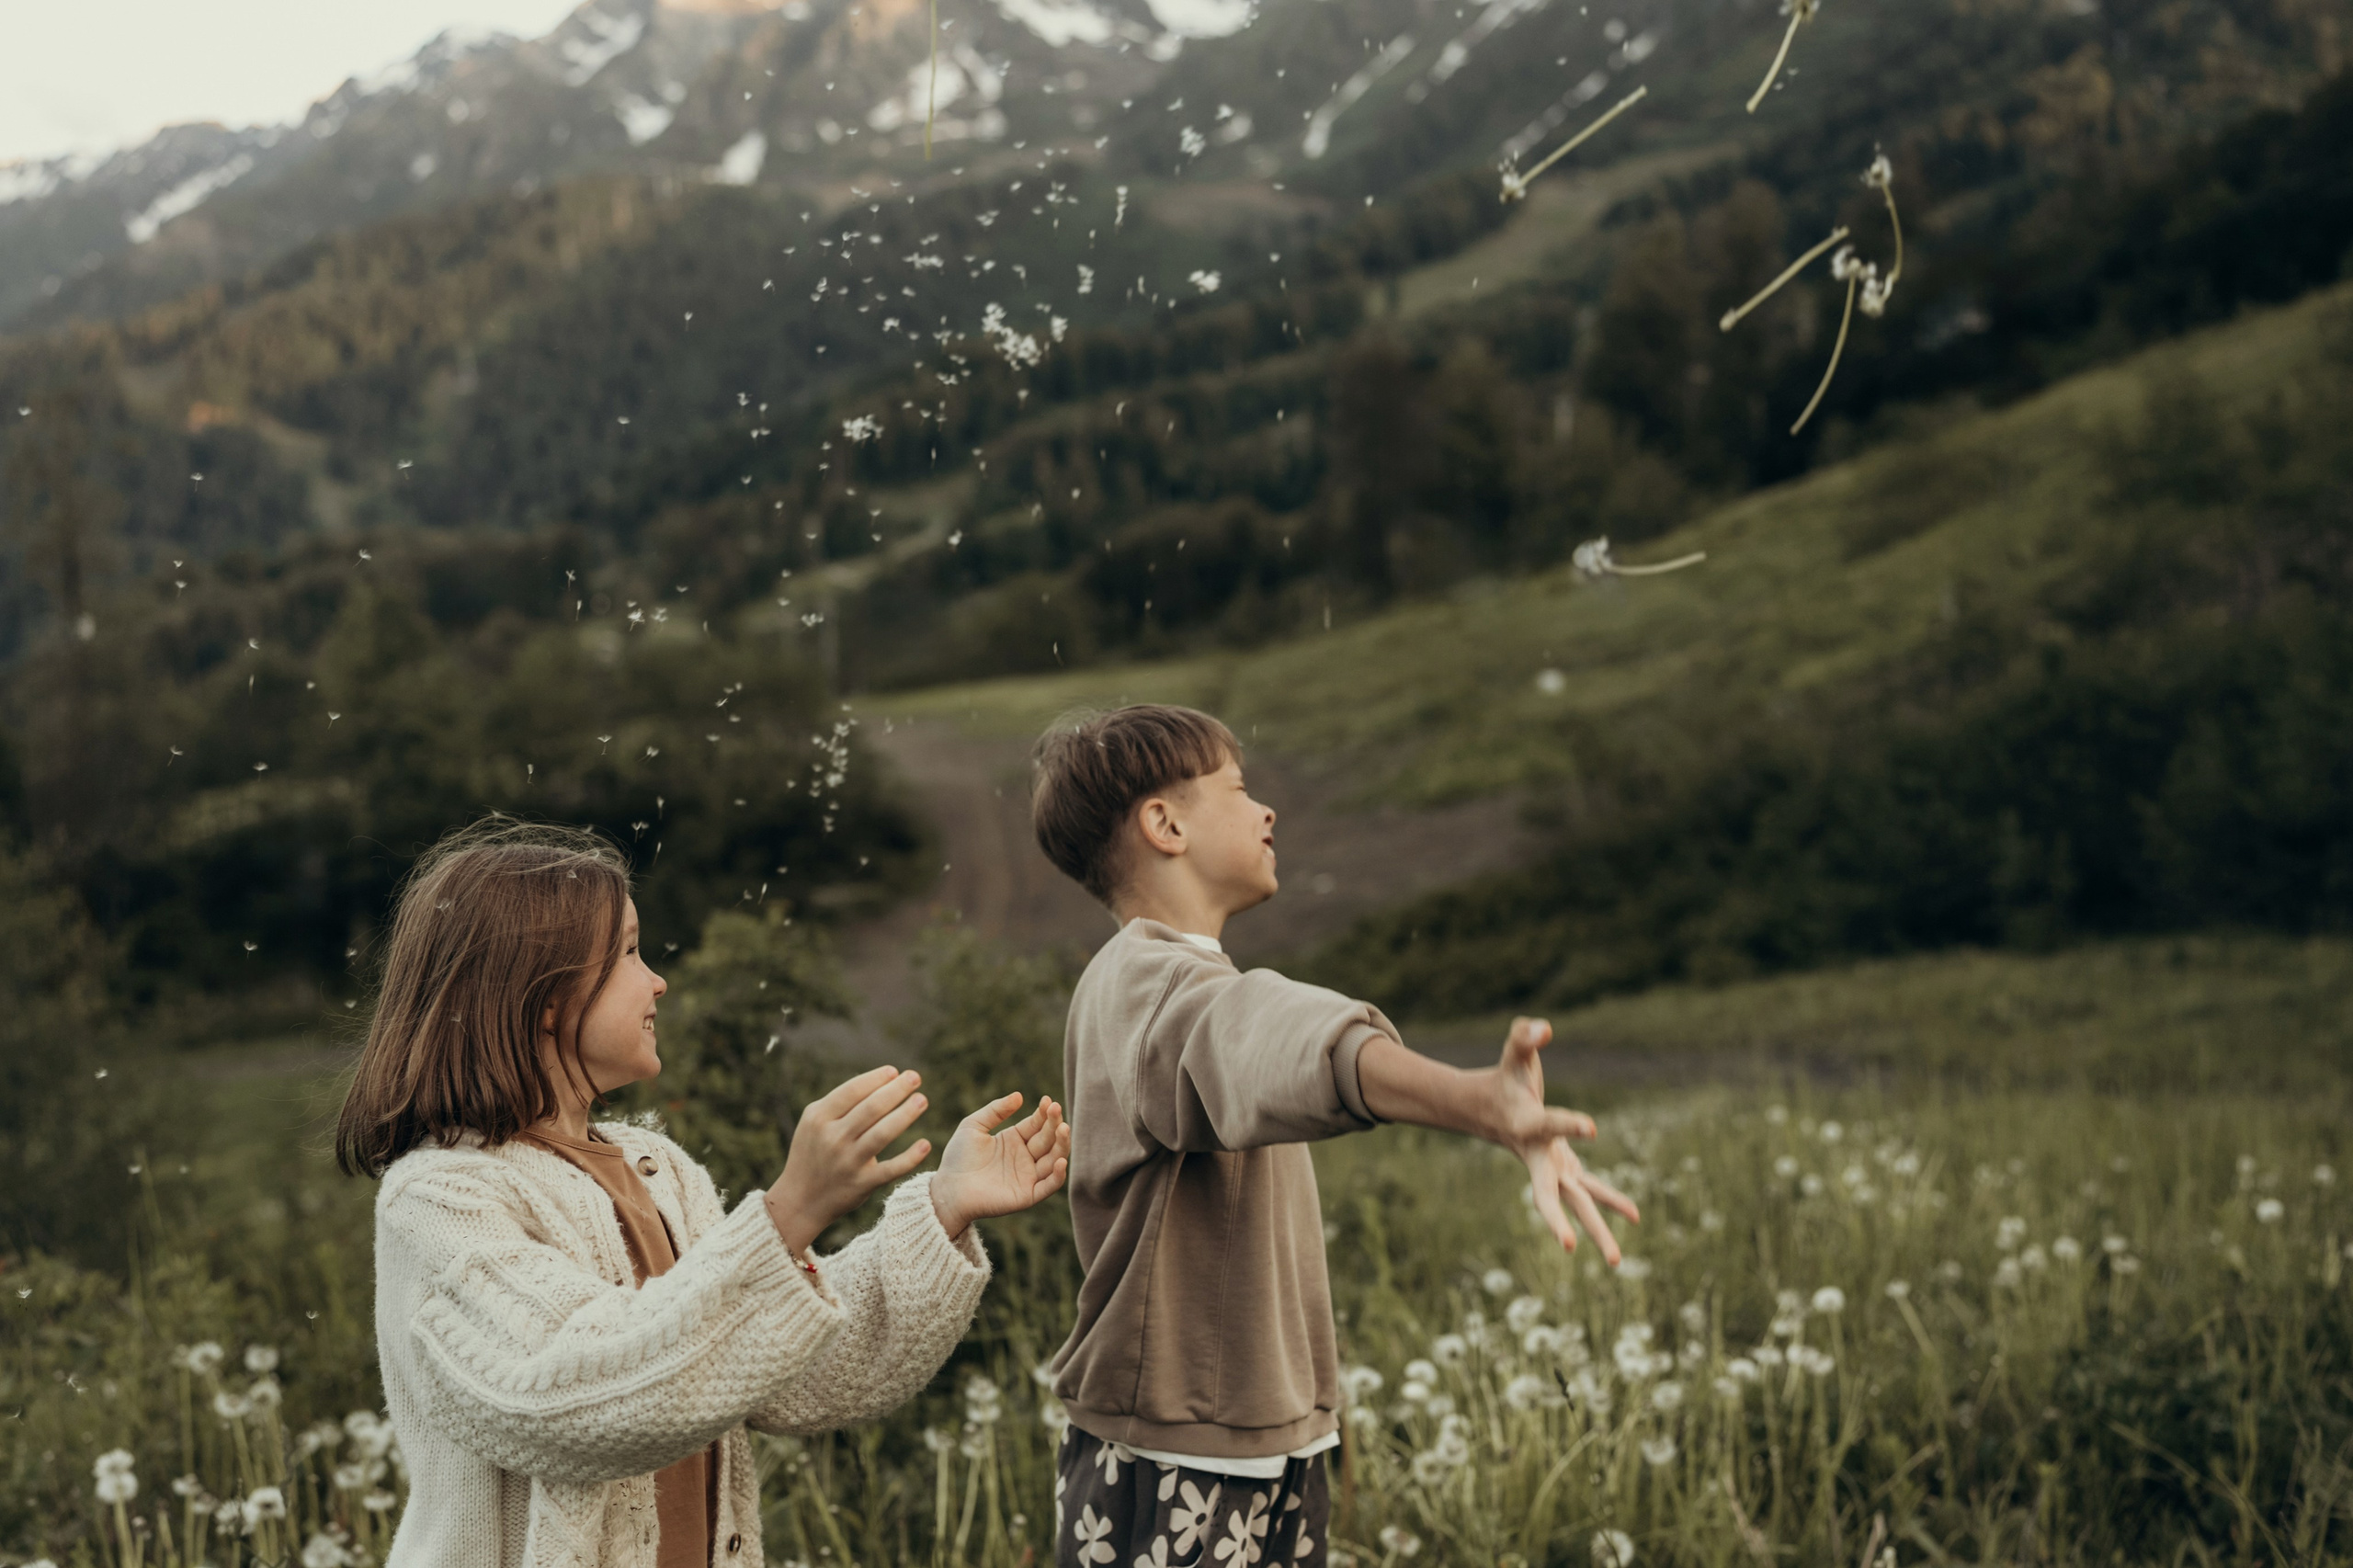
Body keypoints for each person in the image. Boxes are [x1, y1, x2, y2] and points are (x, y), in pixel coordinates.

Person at [335, 818, 1070, 1568]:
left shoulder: (662, 1169)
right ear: (544, 997)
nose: (657, 979)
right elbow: (574, 1398)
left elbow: (797, 1371)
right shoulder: (438, 1200)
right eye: (627, 952)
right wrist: (791, 1211)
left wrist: (942, 1210)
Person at [1029, 706, 1637, 1568]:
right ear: (1164, 825)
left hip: (1244, 1441)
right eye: (1240, 792)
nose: (1266, 811)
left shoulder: (1166, 981)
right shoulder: (1149, 984)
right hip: (1179, 1458)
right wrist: (1475, 1101)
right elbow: (1272, 1035)